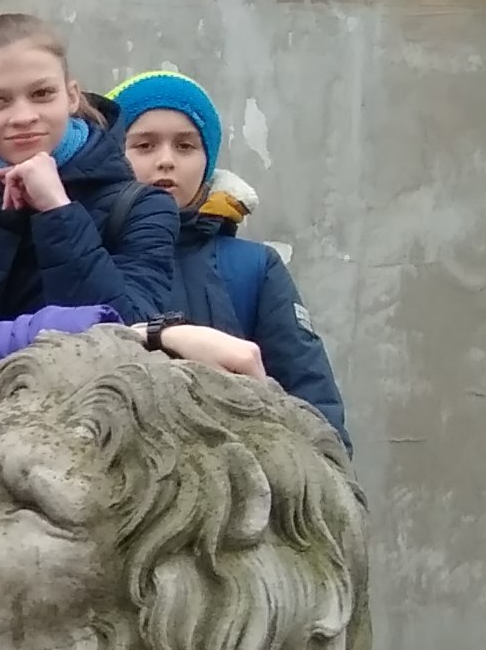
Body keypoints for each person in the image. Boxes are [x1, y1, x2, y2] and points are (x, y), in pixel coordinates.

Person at [0, 11, 177, 326]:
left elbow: (129, 332)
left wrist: (58, 210)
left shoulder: (142, 208)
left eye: (41, 94)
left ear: (72, 96)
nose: (24, 116)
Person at [106, 68, 351, 440]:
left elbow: (314, 403)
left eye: (185, 146)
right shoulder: (82, 253)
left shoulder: (254, 268)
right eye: (144, 146)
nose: (166, 160)